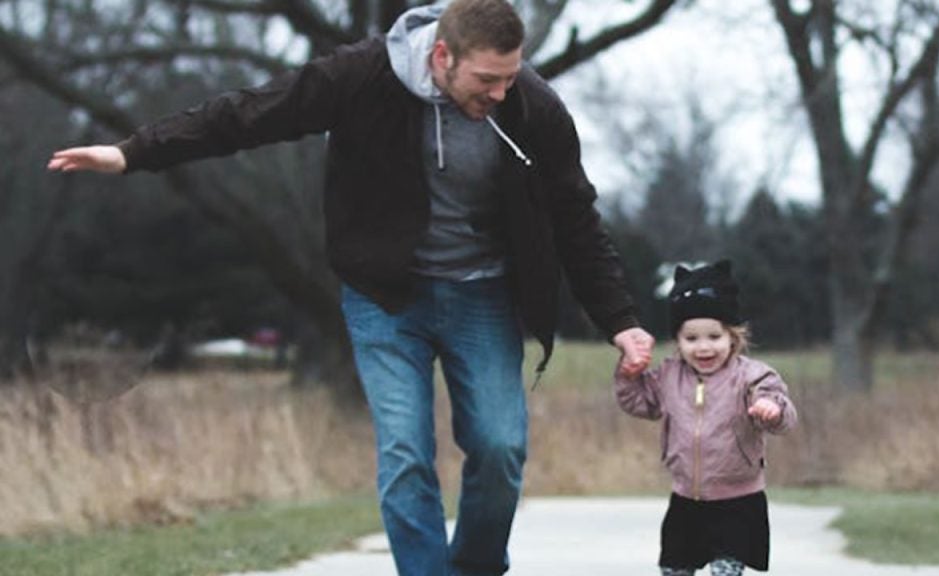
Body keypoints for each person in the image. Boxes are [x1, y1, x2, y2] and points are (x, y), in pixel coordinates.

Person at [48, 1, 654, 575]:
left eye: (510, 78)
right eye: (487, 80)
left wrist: (620, 320)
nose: (500, 94)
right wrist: (132, 152)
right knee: (405, 455)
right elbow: (250, 113)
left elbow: (575, 217)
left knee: (500, 449)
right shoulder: (361, 76)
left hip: (482, 295)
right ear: (442, 56)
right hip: (386, 296)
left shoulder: (532, 107)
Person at [614, 260, 797, 576]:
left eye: (714, 336)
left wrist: (771, 409)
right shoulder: (669, 376)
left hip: (738, 501)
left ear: (733, 336)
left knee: (726, 571)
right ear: (678, 341)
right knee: (674, 569)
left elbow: (781, 409)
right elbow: (638, 402)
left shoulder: (751, 377)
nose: (704, 347)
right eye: (692, 338)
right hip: (686, 499)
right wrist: (628, 376)